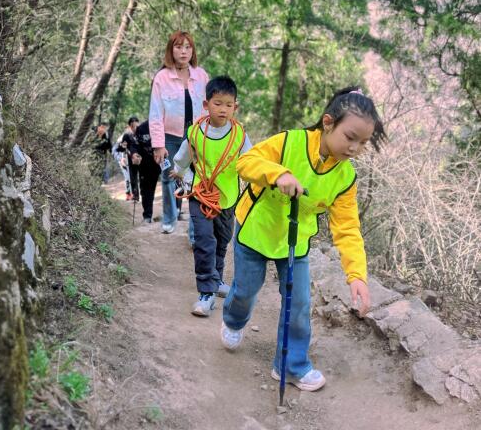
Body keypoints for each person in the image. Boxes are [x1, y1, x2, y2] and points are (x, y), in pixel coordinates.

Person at [221, 87, 386, 394]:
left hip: (295, 241)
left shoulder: (345, 178)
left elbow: (347, 228)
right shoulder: (290, 142)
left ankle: (290, 366)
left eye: (364, 142)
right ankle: (233, 320)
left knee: (298, 303)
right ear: (328, 123)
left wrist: (357, 276)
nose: (355, 148)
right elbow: (245, 162)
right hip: (256, 229)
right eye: (350, 137)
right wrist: (278, 174)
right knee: (245, 290)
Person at [172, 76, 252, 317]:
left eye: (228, 104)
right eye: (218, 103)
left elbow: (250, 164)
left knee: (221, 240)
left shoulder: (239, 136)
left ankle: (216, 280)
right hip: (200, 196)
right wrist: (186, 181)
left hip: (228, 199)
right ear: (206, 105)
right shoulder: (195, 133)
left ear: (236, 107)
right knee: (204, 241)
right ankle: (206, 292)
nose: (223, 109)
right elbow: (181, 162)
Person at [149, 31, 209, 234]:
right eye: (178, 47)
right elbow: (155, 113)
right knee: (168, 176)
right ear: (171, 50)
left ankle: (195, 230)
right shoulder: (162, 77)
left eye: (188, 47)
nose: (183, 51)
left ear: (192, 51)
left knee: (197, 179)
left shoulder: (201, 75)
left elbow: (209, 106)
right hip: (169, 137)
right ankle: (169, 218)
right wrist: (158, 145)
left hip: (196, 136)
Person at [132, 119, 162, 223]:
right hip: (146, 165)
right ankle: (147, 216)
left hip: (164, 162)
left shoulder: (164, 125)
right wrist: (134, 153)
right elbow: (135, 144)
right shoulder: (141, 128)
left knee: (171, 184)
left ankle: (175, 212)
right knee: (146, 190)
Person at [113, 116, 140, 201]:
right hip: (125, 161)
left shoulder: (140, 135)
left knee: (136, 177)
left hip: (137, 160)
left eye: (136, 126)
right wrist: (120, 159)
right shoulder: (122, 138)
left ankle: (135, 195)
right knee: (129, 178)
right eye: (131, 126)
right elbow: (115, 150)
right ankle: (131, 194)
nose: (133, 128)